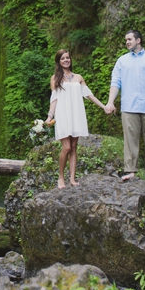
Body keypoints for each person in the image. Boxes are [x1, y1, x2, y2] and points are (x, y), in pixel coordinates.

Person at [104, 30, 145, 184]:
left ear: (138, 40)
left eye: (130, 39)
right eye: (126, 40)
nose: (127, 42)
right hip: (129, 105)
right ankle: (130, 171)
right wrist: (110, 102)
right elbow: (115, 82)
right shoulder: (122, 61)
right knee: (130, 140)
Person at [45, 50, 107, 189]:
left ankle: (72, 179)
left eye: (67, 57)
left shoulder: (78, 77)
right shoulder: (55, 78)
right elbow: (54, 99)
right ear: (58, 61)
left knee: (73, 148)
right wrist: (49, 116)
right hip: (63, 114)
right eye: (63, 58)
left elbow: (89, 95)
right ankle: (61, 177)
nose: (66, 60)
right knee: (66, 147)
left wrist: (104, 107)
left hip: (76, 114)